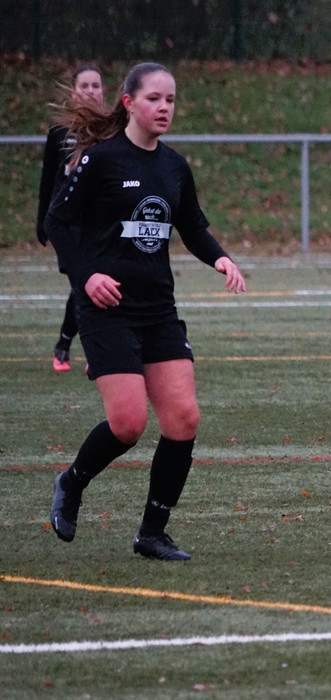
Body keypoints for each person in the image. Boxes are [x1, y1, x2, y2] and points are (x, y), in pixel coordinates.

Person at [45, 62, 246, 560]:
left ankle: (152, 534)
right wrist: (87, 276)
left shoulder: (174, 166)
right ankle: (71, 482)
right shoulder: (101, 160)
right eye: (154, 98)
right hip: (106, 308)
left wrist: (220, 258)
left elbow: (191, 226)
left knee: (183, 419)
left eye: (170, 100)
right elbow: (58, 223)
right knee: (128, 423)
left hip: (158, 308)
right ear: (129, 102)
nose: (164, 108)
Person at [37, 66, 106, 372]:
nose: (91, 91)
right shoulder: (59, 131)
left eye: (96, 85)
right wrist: (43, 221)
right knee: (83, 283)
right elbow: (48, 178)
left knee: (97, 281)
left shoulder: (112, 128)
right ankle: (70, 345)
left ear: (103, 91)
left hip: (99, 220)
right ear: (74, 93)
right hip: (68, 221)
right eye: (85, 86)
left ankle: (80, 346)